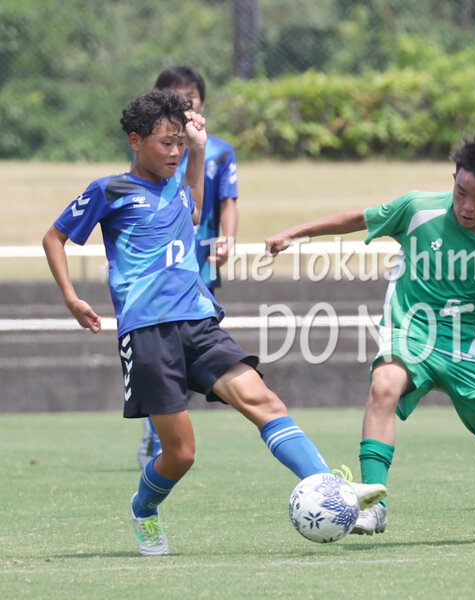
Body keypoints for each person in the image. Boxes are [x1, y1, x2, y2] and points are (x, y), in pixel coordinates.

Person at [42, 89, 385, 556]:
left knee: (264, 401)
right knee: (181, 454)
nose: (175, 152)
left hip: (199, 322)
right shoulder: (110, 190)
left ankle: (331, 489)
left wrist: (198, 151)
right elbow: (54, 237)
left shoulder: (179, 186)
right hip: (147, 332)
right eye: (166, 143)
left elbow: (196, 209)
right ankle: (144, 509)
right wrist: (71, 297)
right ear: (135, 140)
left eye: (180, 144)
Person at [265, 135, 475, 541]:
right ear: (454, 178)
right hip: (411, 332)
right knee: (384, 384)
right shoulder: (417, 208)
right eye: (461, 192)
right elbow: (358, 218)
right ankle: (374, 506)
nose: (467, 206)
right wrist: (295, 232)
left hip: (469, 351)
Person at [137, 65, 240, 468]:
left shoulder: (219, 150)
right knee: (164, 355)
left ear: (202, 102)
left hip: (200, 264)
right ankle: (157, 435)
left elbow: (228, 200)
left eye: (191, 97)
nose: (185, 103)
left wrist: (228, 238)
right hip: (159, 267)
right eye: (176, 97)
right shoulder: (155, 146)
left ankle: (163, 430)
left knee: (191, 355)